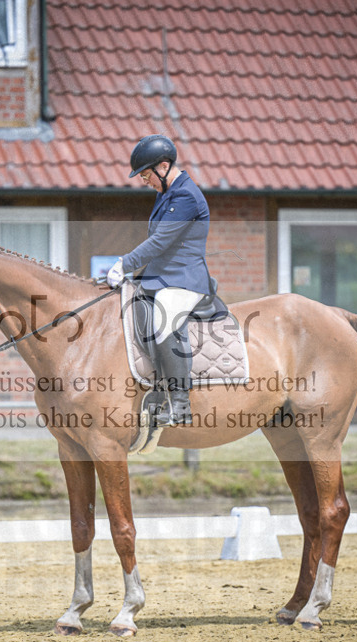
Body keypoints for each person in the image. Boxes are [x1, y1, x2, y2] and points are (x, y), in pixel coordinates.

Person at [106, 134, 211, 425]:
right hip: (162, 276)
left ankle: (179, 404)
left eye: (145, 175)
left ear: (163, 166)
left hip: (184, 279)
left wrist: (124, 263)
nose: (144, 181)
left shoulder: (186, 196)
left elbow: (160, 242)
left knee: (164, 321)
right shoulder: (167, 194)